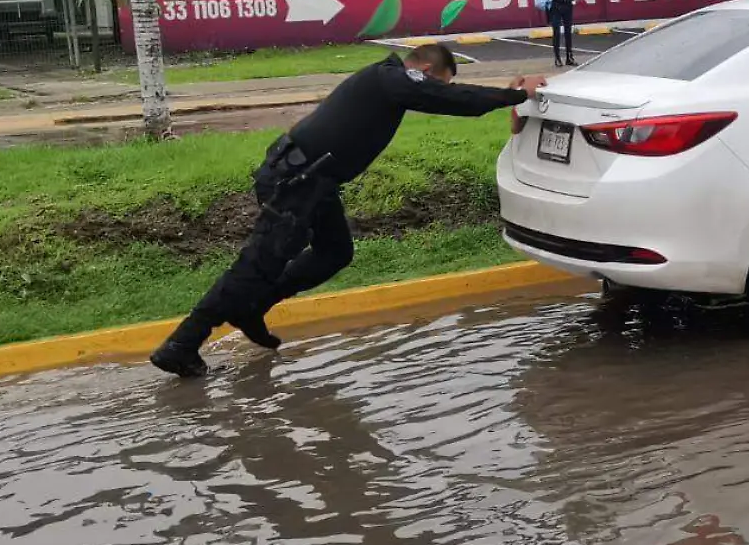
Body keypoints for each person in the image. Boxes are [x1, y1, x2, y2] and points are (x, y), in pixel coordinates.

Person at [150, 44, 545, 378]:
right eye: (437, 82)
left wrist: (502, 95)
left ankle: (255, 307)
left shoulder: (387, 82)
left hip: (313, 181)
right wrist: (514, 96)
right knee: (253, 267)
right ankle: (183, 342)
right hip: (296, 181)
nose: (433, 92)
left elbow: (449, 96)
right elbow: (450, 99)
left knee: (335, 252)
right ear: (424, 69)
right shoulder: (389, 77)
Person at [541, 0, 579, 67]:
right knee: (556, 32)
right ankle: (557, 58)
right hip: (555, 7)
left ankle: (569, 57)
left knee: (568, 32)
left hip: (567, 7)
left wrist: (572, 0)